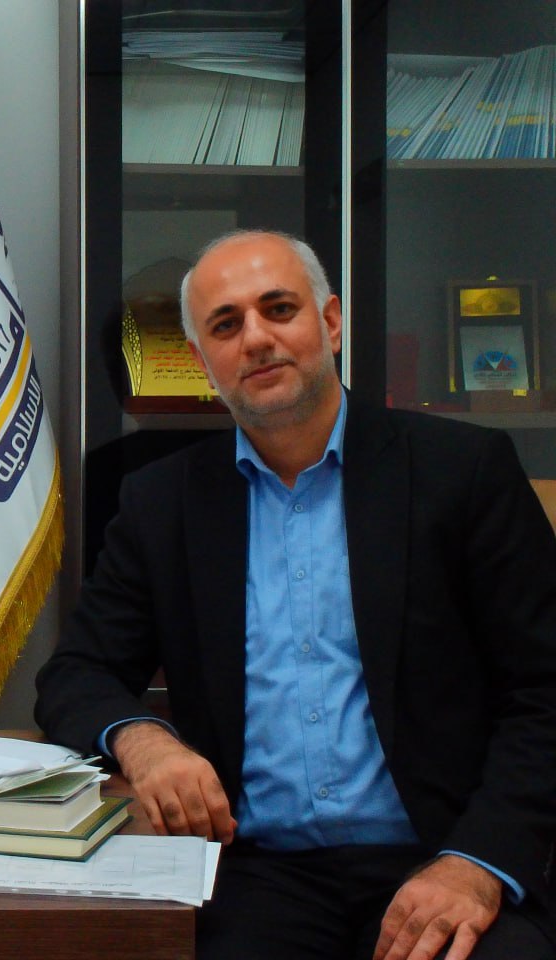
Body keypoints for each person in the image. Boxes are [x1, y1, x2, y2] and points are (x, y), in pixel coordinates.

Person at [35, 229, 556, 960]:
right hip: (254, 874)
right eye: (226, 325)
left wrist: (477, 864)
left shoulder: (463, 472)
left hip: (442, 854)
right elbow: (76, 674)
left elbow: (544, 691)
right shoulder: (162, 503)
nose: (256, 338)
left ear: (331, 323)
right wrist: (145, 744)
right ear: (202, 361)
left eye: (279, 309)